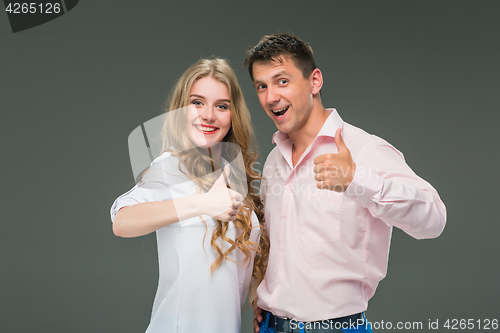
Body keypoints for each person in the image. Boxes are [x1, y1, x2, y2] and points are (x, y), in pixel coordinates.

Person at [245, 33, 447, 333]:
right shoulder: (275, 161)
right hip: (270, 326)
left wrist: (356, 180)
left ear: (314, 81)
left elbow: (434, 219)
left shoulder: (364, 150)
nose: (270, 96)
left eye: (282, 81)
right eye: (262, 86)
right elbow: (280, 247)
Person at [110, 58, 269, 333]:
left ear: (233, 115)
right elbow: (122, 221)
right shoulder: (170, 166)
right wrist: (202, 204)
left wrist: (261, 304)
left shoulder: (236, 176)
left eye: (221, 106)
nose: (209, 115)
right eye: (197, 102)